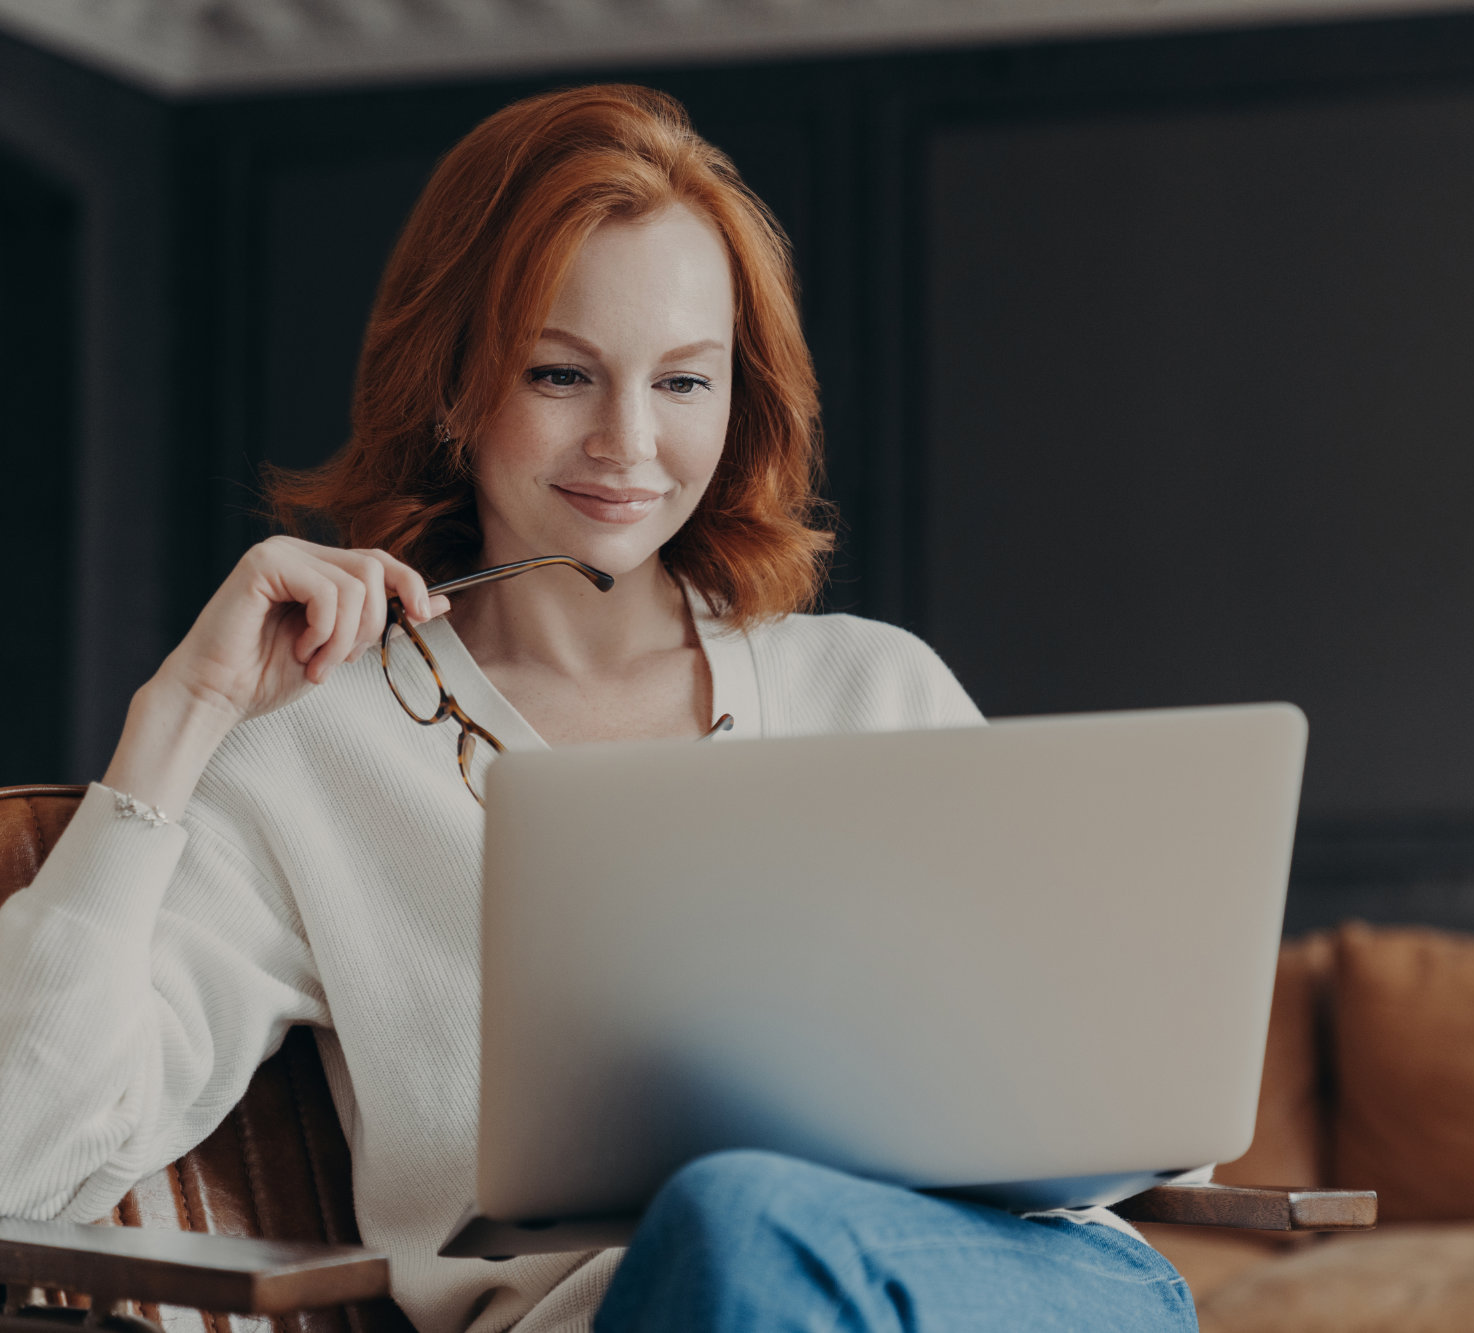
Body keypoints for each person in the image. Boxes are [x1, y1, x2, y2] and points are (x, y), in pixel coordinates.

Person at [0, 85, 1196, 1333]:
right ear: (453, 383)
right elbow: (24, 1162)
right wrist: (180, 715)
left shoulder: (875, 684)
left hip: (1022, 1281)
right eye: (561, 372)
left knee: (754, 1214)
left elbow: (1094, 1088)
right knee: (731, 1225)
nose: (628, 443)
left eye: (685, 381)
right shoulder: (310, 756)